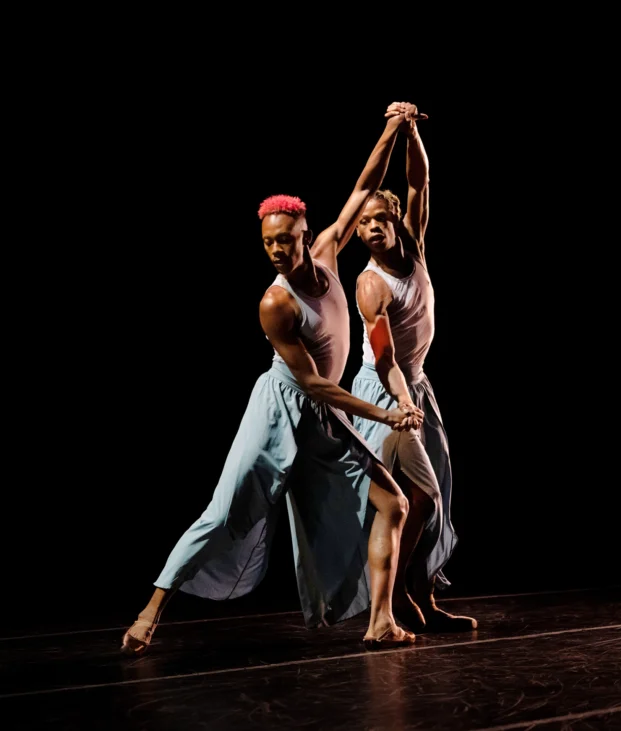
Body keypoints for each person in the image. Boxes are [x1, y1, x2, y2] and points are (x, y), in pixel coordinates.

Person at [120, 103, 426, 656]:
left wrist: (394, 126)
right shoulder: (275, 303)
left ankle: (379, 621)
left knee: (394, 502)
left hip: (325, 418)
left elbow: (366, 184)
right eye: (268, 243)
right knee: (228, 509)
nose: (278, 250)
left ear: (308, 234)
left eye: (286, 239)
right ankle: (152, 608)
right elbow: (311, 384)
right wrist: (383, 412)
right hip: (282, 407)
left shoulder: (332, 255)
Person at [351, 104, 476, 633]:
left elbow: (419, 179)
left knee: (437, 496)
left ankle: (421, 595)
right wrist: (402, 404)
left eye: (381, 219)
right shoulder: (371, 283)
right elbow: (383, 360)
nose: (374, 229)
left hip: (419, 386)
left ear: (397, 218)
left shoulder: (416, 246)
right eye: (363, 223)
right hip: (385, 393)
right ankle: (398, 599)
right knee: (415, 496)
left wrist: (409, 128)